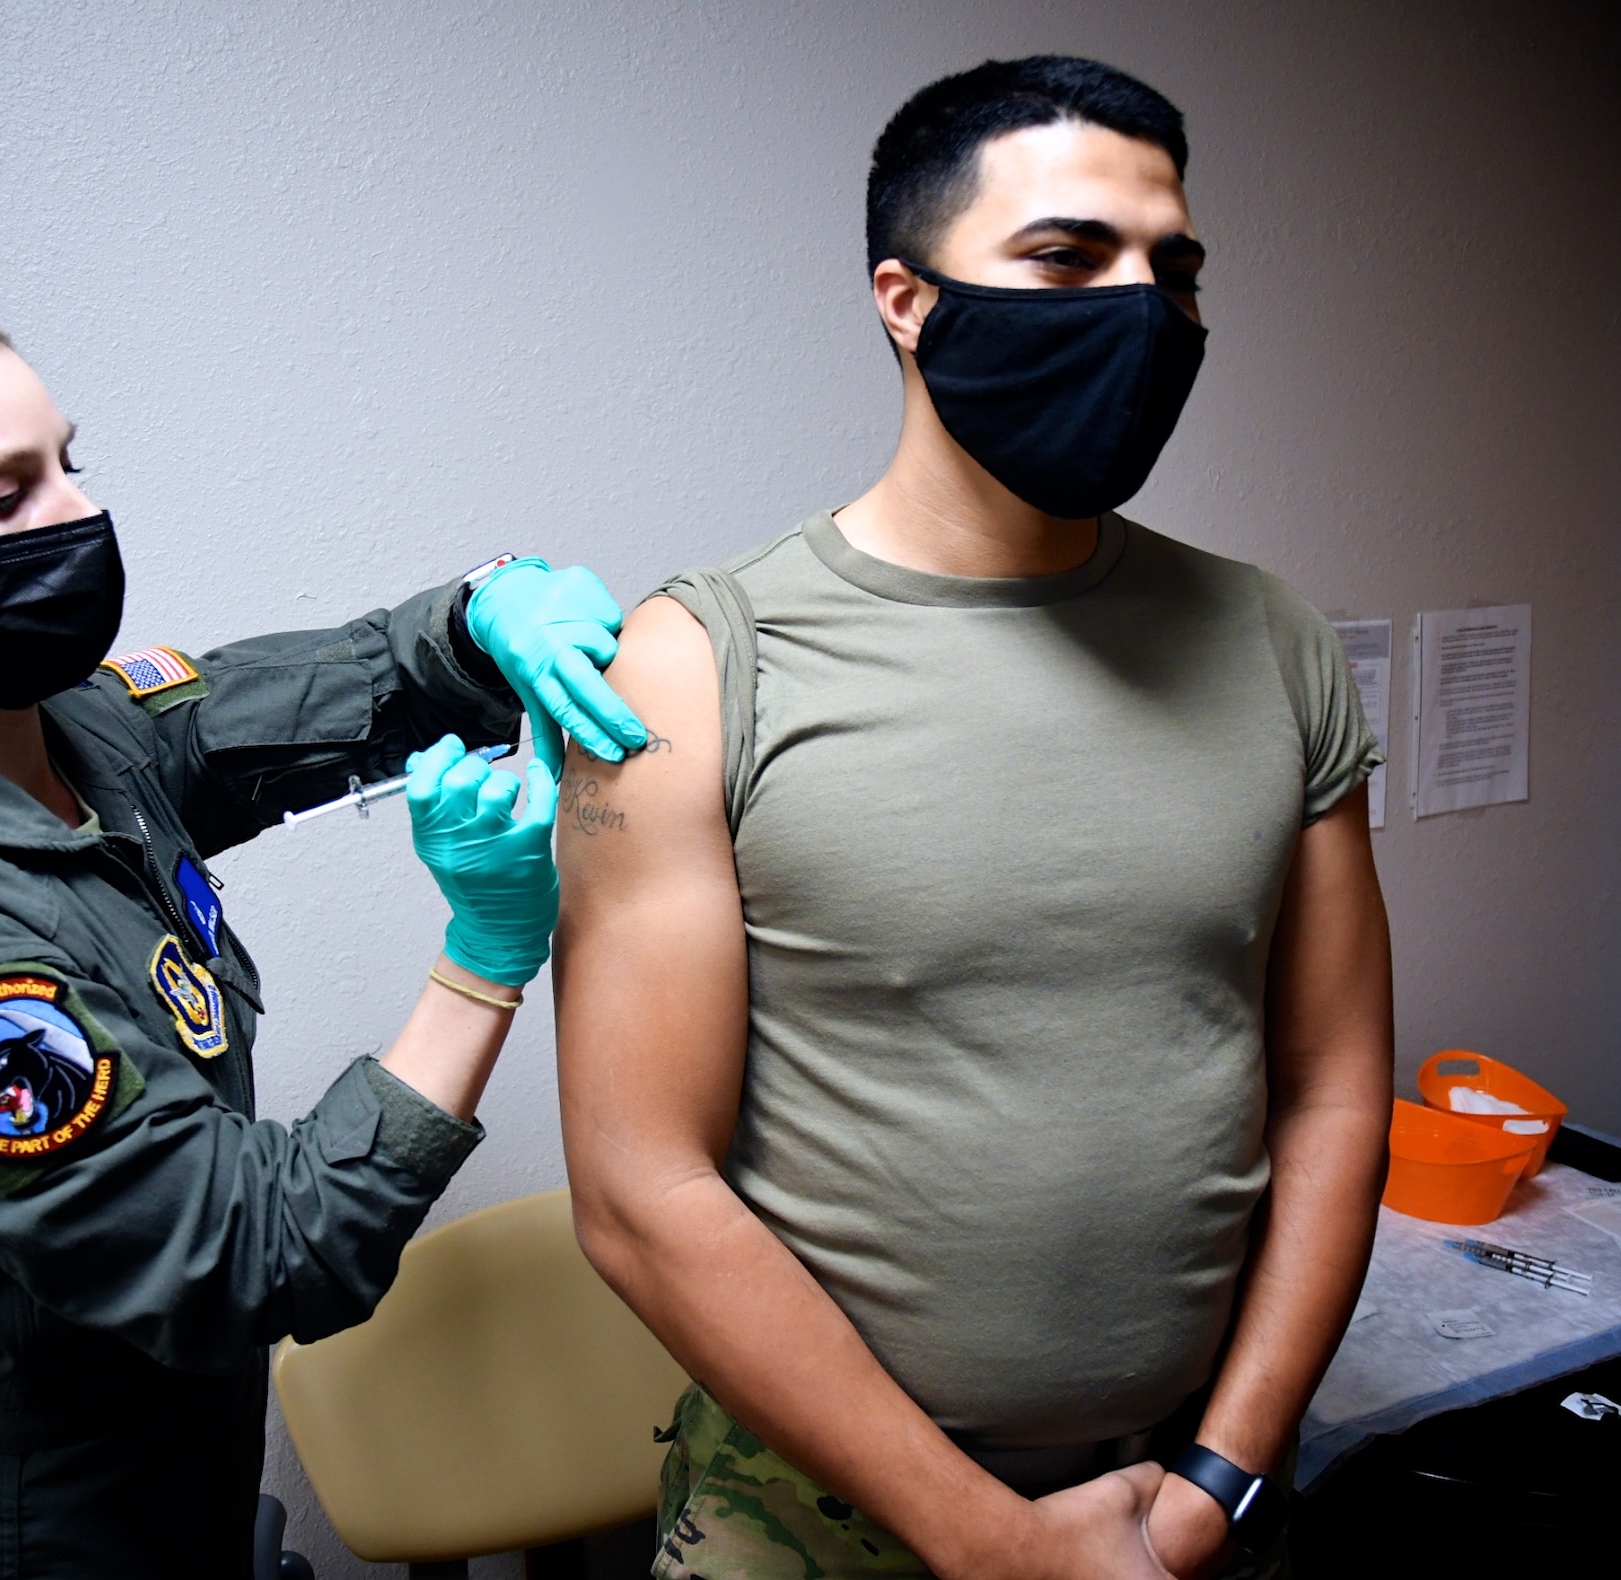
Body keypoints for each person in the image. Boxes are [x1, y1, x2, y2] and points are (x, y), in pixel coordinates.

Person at [553, 57, 1393, 1580]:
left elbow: (1335, 1089)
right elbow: (638, 1192)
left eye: (1176, 271)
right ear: (907, 298)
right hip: (816, 1512)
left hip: (1177, 1491)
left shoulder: (1272, 640)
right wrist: (991, 1544)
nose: (1142, 310)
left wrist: (1224, 1475)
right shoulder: (694, 664)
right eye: (1070, 260)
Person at [0, 295, 646, 1579]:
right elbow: (255, 1254)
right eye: (1, 495)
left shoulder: (69, 729)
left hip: (189, 1514)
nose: (72, 517)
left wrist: (483, 611)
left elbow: (319, 686)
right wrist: (480, 956)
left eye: (66, 465)